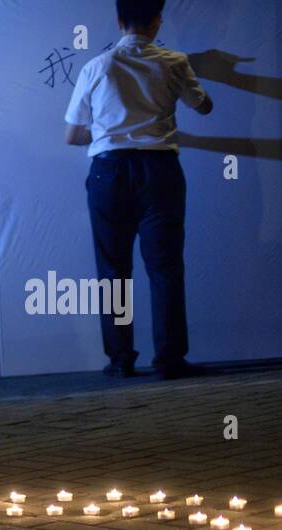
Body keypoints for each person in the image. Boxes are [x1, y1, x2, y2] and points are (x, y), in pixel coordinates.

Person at [65, 0, 213, 380]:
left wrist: (106, 129)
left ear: (118, 20)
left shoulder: (96, 67)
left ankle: (120, 360)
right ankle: (169, 360)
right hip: (159, 170)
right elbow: (204, 106)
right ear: (158, 20)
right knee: (165, 268)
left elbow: (72, 135)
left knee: (113, 269)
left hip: (109, 172)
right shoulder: (175, 62)